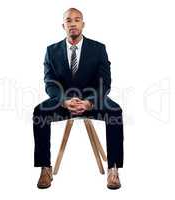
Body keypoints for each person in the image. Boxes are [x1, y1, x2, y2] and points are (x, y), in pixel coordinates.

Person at [33, 8, 124, 189]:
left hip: (92, 100)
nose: (73, 23)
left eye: (77, 20)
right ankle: (45, 168)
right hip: (64, 101)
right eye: (69, 20)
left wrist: (90, 102)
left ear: (83, 24)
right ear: (63, 25)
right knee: (39, 111)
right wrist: (64, 101)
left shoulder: (98, 49)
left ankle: (113, 168)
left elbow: (105, 82)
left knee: (115, 111)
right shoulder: (51, 51)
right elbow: (49, 83)